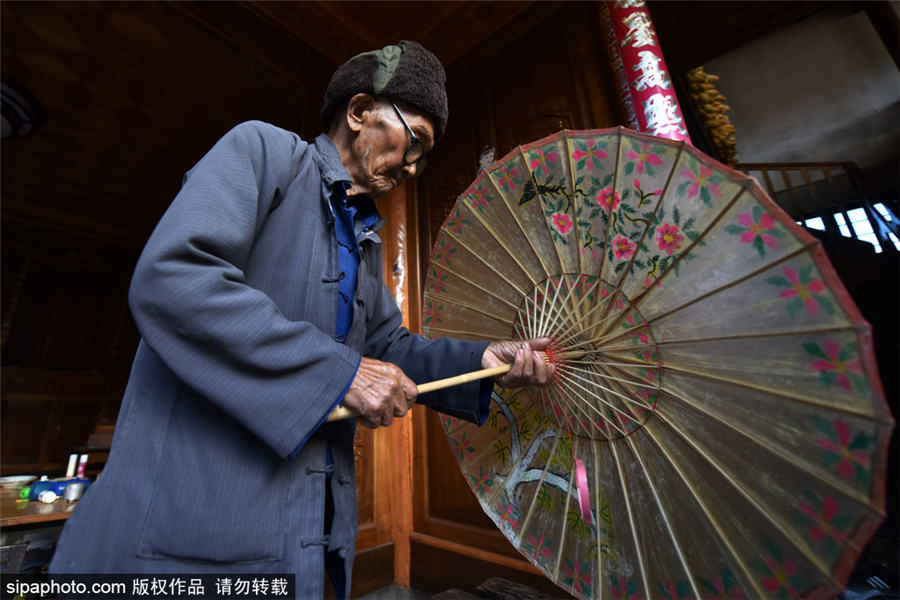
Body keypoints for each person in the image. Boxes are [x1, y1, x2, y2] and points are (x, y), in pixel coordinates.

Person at [49, 40, 554, 598]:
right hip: (194, 528)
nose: (413, 166)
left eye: (423, 157)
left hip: (310, 531)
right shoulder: (263, 151)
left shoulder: (364, 242)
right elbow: (175, 276)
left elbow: (386, 346)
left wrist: (482, 361)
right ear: (360, 111)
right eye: (415, 142)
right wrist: (341, 373)